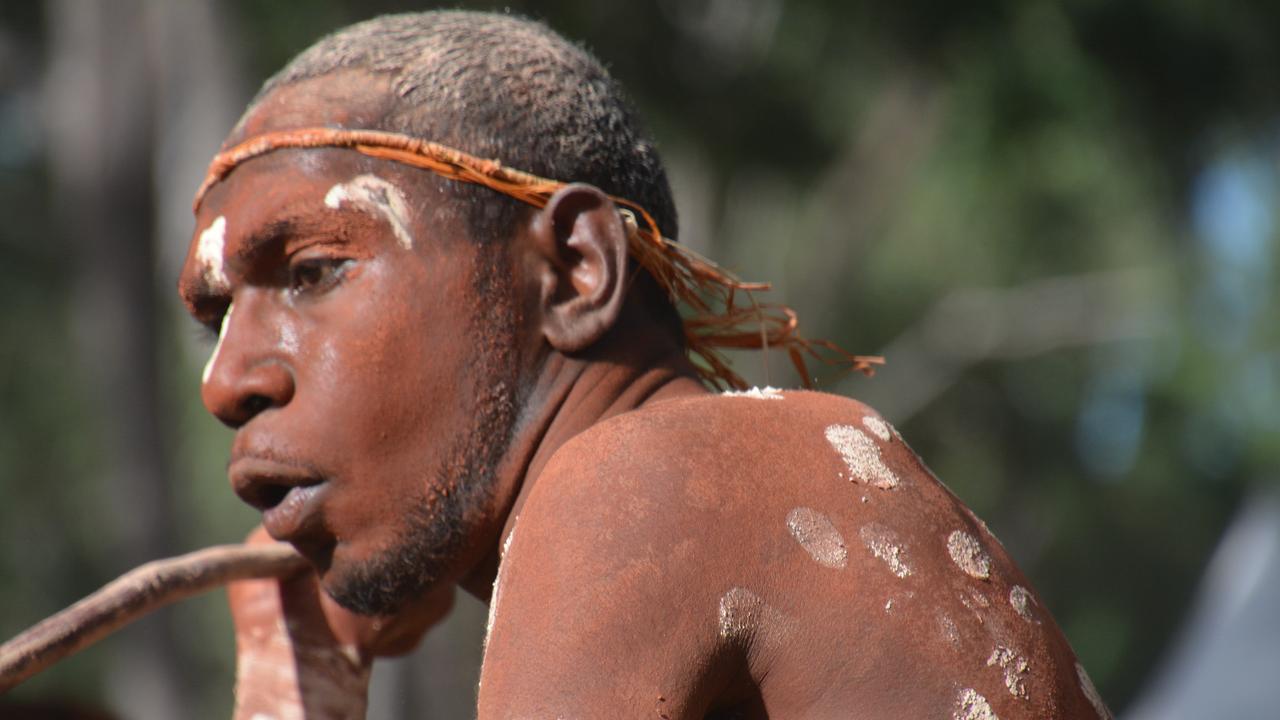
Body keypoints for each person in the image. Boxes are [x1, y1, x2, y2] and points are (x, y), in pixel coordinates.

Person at [178, 10, 1111, 719]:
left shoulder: (646, 479)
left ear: (575, 272)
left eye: (310, 272)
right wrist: (302, 675)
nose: (226, 381)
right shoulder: (745, 472)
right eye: (215, 315)